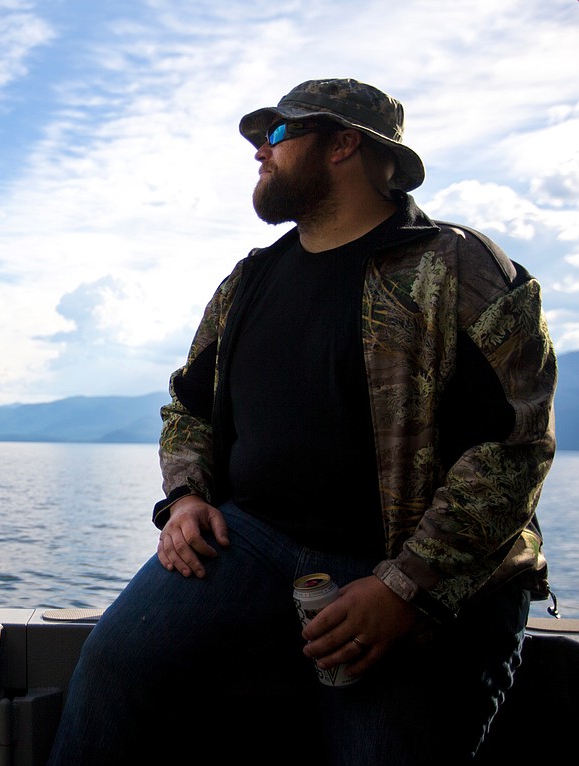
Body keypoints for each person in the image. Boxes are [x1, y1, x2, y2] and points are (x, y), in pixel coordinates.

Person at [46, 78, 557, 765]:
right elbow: (188, 406)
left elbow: (514, 448)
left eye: (278, 134)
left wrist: (403, 588)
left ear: (345, 144)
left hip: (416, 568)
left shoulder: (462, 268)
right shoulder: (247, 281)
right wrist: (187, 499)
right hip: (253, 544)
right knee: (113, 668)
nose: (259, 150)